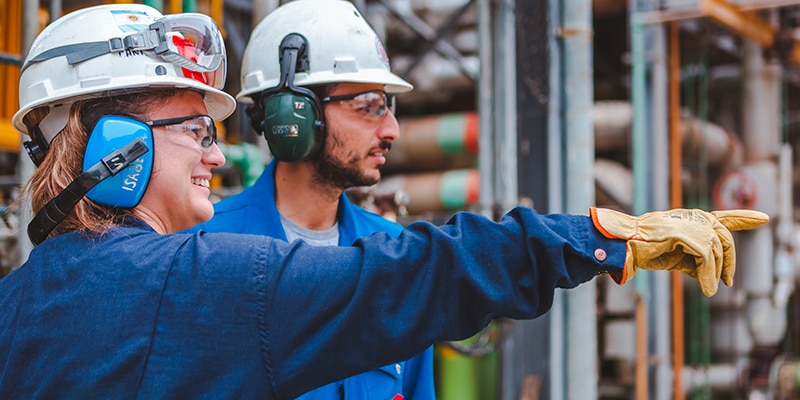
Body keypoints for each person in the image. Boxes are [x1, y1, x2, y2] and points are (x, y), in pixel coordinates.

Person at [0, 3, 768, 400]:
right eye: (196, 127)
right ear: (115, 150)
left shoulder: (16, 304)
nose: (213, 151)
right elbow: (413, 276)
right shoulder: (202, 280)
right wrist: (592, 236)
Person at [190, 1, 433, 398]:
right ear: (296, 114)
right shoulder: (200, 252)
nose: (392, 130)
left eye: (388, 107)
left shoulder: (398, 259)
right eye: (370, 107)